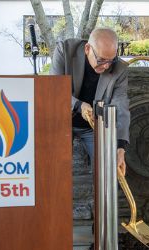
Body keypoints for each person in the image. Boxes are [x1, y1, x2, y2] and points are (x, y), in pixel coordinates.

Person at [50, 27, 129, 176]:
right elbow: (54, 91)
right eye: (101, 60)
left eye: (111, 61)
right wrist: (80, 106)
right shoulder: (65, 50)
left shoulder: (120, 68)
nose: (106, 66)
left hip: (94, 127)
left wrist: (120, 147)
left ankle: (101, 200)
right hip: (61, 121)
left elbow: (121, 107)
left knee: (109, 172)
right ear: (87, 49)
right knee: (55, 171)